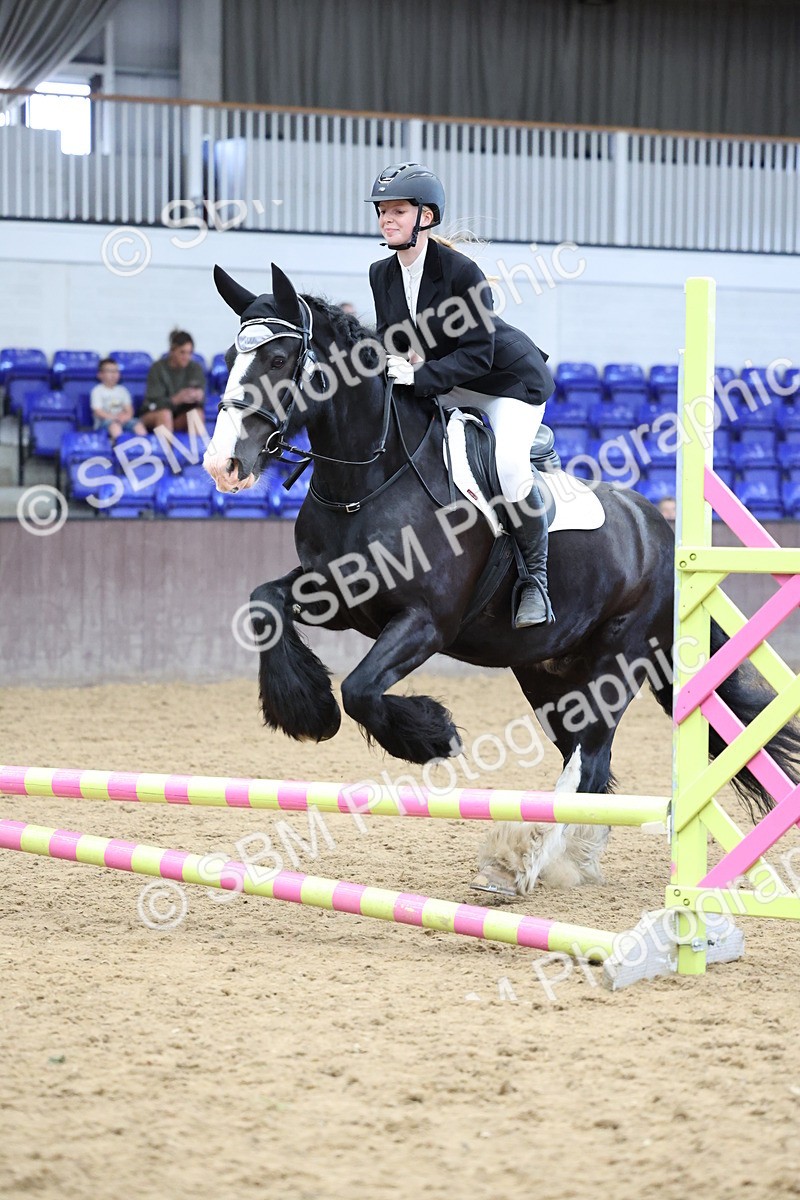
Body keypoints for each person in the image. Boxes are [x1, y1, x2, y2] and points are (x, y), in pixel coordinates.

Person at [366, 163, 555, 627]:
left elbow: (475, 355)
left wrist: (417, 375)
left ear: (425, 217)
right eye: (382, 212)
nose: (386, 220)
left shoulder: (461, 273)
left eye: (397, 211)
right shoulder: (381, 274)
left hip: (505, 385)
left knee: (509, 470)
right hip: (449, 385)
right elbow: (395, 341)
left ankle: (536, 580)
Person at [141, 329, 207, 436]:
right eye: (182, 352)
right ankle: (166, 452)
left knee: (196, 414)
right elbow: (153, 404)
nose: (186, 357)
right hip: (155, 415)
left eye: (189, 353)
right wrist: (176, 400)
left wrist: (198, 396)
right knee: (165, 414)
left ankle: (198, 451)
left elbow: (202, 401)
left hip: (180, 416)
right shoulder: (158, 368)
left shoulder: (195, 368)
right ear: (172, 351)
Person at [90, 357, 147, 441]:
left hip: (123, 420)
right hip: (104, 422)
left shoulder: (122, 390)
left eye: (116, 371)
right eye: (110, 371)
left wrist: (126, 417)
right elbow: (98, 411)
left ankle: (144, 450)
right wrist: (114, 417)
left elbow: (129, 409)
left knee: (138, 425)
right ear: (100, 374)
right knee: (115, 426)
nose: (113, 374)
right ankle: (120, 449)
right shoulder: (97, 390)